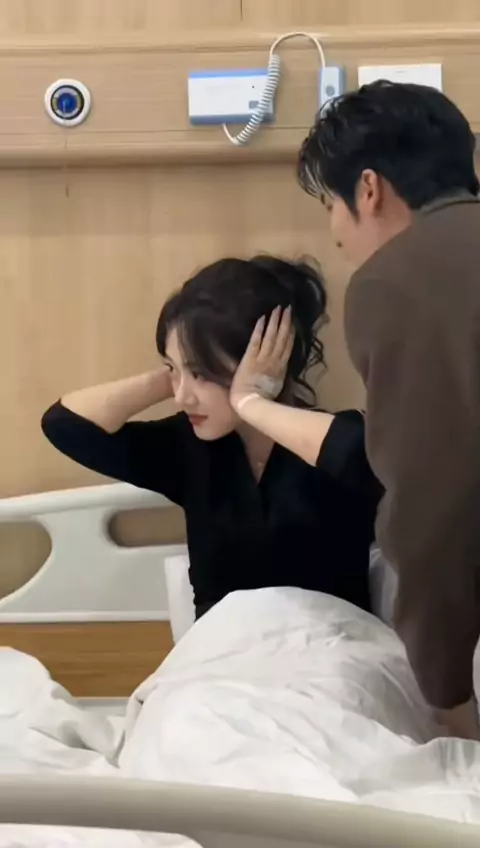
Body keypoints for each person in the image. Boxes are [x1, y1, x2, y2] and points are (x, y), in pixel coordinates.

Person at [42, 255, 381, 621]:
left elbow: (366, 459)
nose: (182, 397)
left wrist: (250, 402)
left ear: (269, 364)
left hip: (333, 645)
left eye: (203, 375)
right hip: (224, 649)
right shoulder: (188, 447)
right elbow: (66, 426)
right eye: (174, 371)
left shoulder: (328, 442)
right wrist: (178, 369)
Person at [297, 80, 480, 740]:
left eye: (330, 204)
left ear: (368, 189)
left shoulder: (397, 280)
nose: (335, 233)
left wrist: (446, 693)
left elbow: (435, 505)